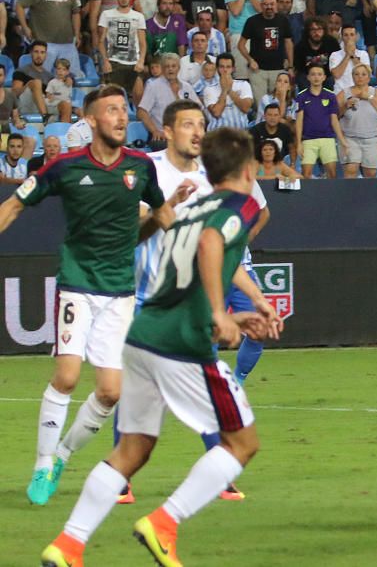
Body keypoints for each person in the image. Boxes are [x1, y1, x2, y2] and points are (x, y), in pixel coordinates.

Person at [40, 126, 281, 567]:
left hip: (143, 333)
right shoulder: (239, 204)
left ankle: (68, 545)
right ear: (248, 170)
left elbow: (192, 262)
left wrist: (248, 307)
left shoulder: (192, 208)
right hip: (181, 346)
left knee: (132, 449)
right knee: (242, 443)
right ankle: (165, 523)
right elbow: (212, 246)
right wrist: (218, 313)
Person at [0, 86, 179, 508]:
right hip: (77, 283)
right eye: (112, 110)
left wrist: (190, 247)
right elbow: (13, 205)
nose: (121, 117)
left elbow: (161, 213)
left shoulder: (139, 167)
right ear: (92, 120)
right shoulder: (63, 167)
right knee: (66, 376)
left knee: (110, 393)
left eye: (124, 110)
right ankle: (43, 463)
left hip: (120, 292)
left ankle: (62, 456)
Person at [97, 0, 147, 101]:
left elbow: (142, 42)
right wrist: (105, 61)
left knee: (139, 98)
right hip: (114, 62)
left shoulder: (138, 16)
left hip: (134, 63)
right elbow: (100, 41)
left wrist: (141, 61)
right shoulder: (106, 14)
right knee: (112, 99)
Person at [296, 63, 347, 179]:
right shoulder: (302, 96)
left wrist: (342, 140)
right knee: (306, 175)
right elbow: (299, 121)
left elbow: (334, 120)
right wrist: (298, 143)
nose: (316, 77)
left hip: (327, 139)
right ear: (308, 77)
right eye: (313, 74)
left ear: (324, 77)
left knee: (332, 174)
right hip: (308, 140)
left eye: (319, 74)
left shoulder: (330, 96)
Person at [339, 63, 377, 178]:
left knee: (371, 174)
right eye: (356, 74)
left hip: (372, 139)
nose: (360, 77)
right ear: (352, 77)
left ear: (368, 77)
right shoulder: (344, 93)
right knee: (351, 170)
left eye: (363, 74)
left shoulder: (375, 92)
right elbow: (334, 115)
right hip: (350, 139)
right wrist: (345, 105)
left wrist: (369, 97)